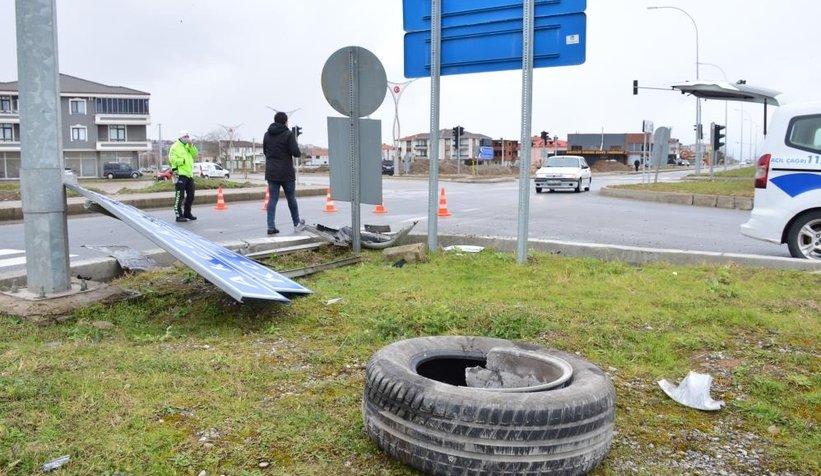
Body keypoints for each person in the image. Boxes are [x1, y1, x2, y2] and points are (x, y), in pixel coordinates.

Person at [263, 112, 305, 235]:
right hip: (286, 172)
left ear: (275, 121)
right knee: (291, 198)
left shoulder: (267, 134)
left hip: (271, 172)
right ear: (286, 121)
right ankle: (296, 223)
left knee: (272, 199)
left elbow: (265, 151)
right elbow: (296, 153)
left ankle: (271, 226)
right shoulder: (288, 134)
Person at [168, 130, 199, 222]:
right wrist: (183, 161)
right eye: (185, 136)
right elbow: (172, 159)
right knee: (179, 196)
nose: (187, 138)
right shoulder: (175, 147)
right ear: (181, 137)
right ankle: (178, 215)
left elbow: (195, 154)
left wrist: (191, 145)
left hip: (189, 175)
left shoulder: (187, 146)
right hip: (180, 174)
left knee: (191, 196)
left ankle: (187, 213)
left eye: (188, 136)